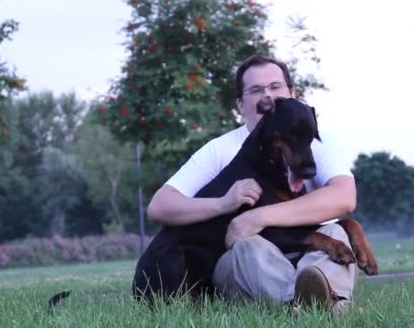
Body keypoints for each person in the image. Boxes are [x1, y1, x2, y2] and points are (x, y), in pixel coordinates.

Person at [147, 54, 357, 310]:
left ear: (292, 93)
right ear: (240, 103)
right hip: (242, 261)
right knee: (250, 245)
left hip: (297, 255)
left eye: (275, 87)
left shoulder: (311, 142)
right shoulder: (220, 150)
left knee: (337, 231)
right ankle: (308, 305)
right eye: (256, 90)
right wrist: (222, 204)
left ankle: (326, 304)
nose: (267, 95)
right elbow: (159, 207)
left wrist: (258, 217)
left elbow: (345, 199)